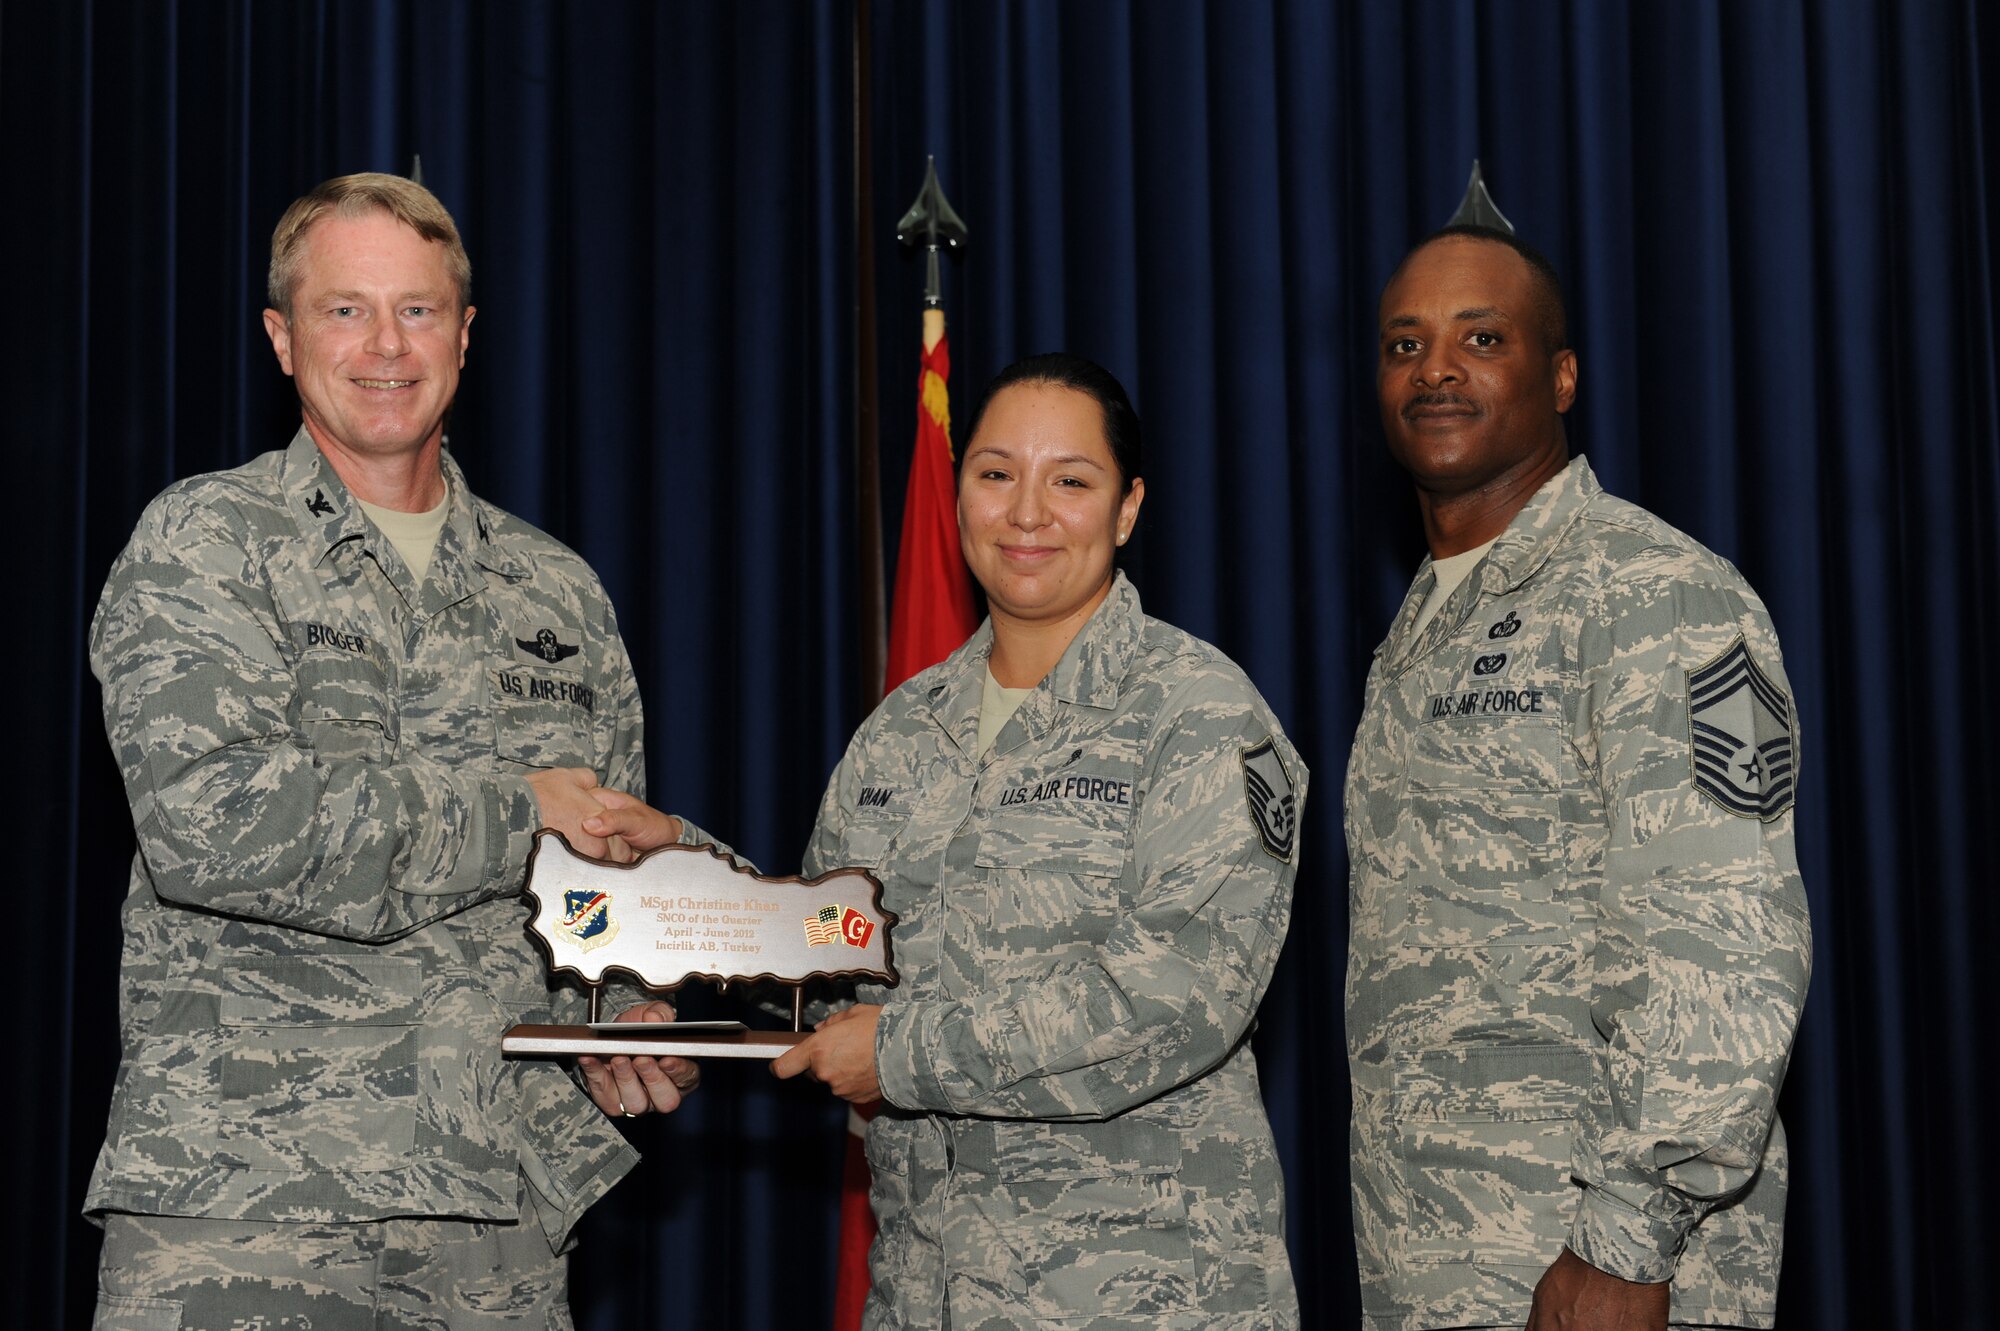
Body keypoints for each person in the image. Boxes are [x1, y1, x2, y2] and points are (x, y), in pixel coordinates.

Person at [87, 172, 701, 1328]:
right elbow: (216, 832)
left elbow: (601, 872)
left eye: (417, 310)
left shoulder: (556, 590)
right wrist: (517, 807)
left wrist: (622, 1015)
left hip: (498, 1219)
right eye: (343, 309)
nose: (384, 344)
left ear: (464, 336)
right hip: (246, 1209)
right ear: (281, 336)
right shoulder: (206, 540)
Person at [772, 353, 1304, 1330]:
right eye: (993, 472)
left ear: (1127, 507)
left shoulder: (1198, 714)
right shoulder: (898, 732)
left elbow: (1175, 998)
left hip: (1141, 1298)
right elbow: (818, 963)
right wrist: (666, 1008)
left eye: (1069, 479)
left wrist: (902, 1051)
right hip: (922, 1294)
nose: (1026, 512)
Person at [1345, 225, 1812, 1330]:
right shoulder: (1427, 621)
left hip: (1593, 1263)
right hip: (1440, 1255)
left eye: (1481, 337)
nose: (1435, 367)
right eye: (1403, 343)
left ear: (1558, 375)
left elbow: (1721, 932)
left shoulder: (1653, 591)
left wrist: (1625, 1236)